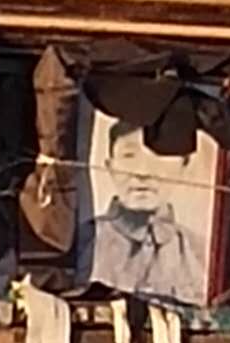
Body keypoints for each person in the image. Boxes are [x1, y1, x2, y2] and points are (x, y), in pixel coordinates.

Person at [78, 117, 208, 305]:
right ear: (110, 165)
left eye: (159, 156)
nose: (143, 172)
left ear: (184, 166)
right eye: (129, 156)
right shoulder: (81, 243)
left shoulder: (202, 256)